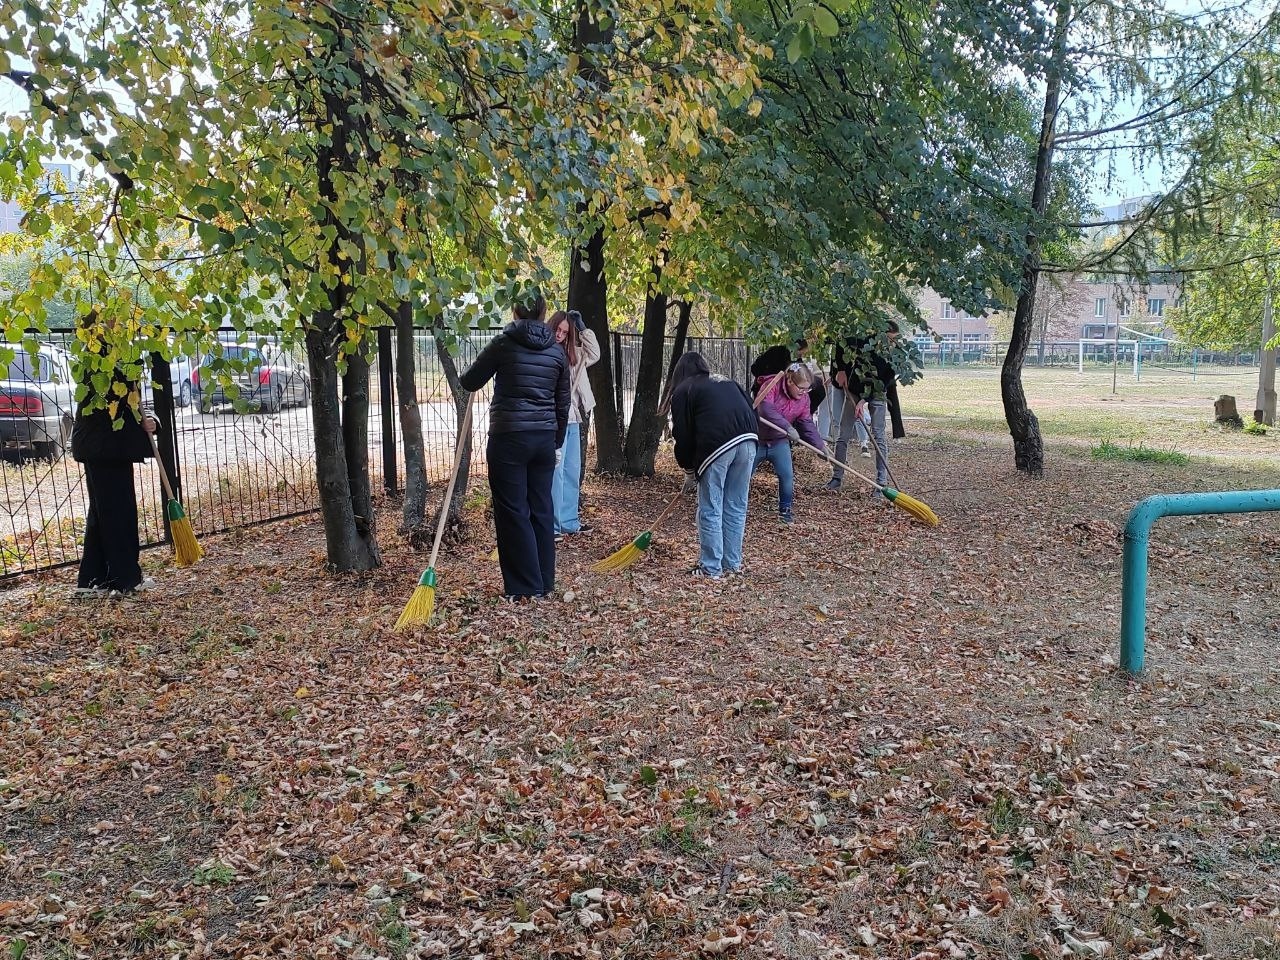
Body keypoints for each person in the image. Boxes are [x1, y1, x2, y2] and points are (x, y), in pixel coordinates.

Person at [460, 290, 569, 600]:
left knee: (512, 510)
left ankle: (525, 586)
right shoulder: (556, 352)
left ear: (515, 313)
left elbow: (469, 381)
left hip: (509, 437)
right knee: (541, 508)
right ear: (542, 314)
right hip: (544, 440)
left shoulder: (504, 344)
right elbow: (563, 403)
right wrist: (556, 442)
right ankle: (545, 582)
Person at [71, 317, 159, 596]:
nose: (123, 327)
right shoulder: (101, 362)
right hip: (106, 448)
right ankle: (125, 580)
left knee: (103, 513)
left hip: (103, 448)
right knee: (118, 513)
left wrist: (152, 420)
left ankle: (93, 580)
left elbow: (132, 405)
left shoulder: (110, 360)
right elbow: (116, 408)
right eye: (116, 324)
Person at [669, 352, 759, 579]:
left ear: (679, 372)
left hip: (717, 447)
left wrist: (689, 468)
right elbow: (751, 409)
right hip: (749, 441)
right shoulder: (727, 381)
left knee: (710, 508)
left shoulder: (683, 390)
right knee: (736, 506)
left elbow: (682, 434)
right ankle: (732, 564)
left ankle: (711, 568)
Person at [825, 321, 907, 495]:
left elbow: (884, 382)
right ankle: (837, 477)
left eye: (893, 340)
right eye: (888, 339)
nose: (890, 343)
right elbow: (841, 342)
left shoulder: (896, 354)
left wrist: (864, 401)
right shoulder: (864, 342)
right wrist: (840, 370)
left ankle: (881, 483)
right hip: (855, 388)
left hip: (878, 392)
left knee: (878, 436)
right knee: (843, 435)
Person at [548, 309, 600, 541]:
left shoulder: (574, 355)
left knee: (571, 471)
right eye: (557, 330)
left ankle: (569, 522)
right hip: (554, 419)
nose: (560, 335)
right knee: (555, 473)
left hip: (573, 418)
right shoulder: (546, 353)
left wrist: (582, 327)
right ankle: (553, 525)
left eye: (565, 332)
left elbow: (595, 353)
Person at [754, 363, 825, 525]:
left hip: (779, 441)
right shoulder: (771, 385)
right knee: (744, 475)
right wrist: (787, 426)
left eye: (807, 389)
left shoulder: (804, 399)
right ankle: (736, 507)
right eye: (801, 388)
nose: (804, 392)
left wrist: (819, 445)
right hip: (757, 440)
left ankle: (785, 510)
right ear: (790, 381)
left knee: (787, 476)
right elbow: (765, 409)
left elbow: (806, 422)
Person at [750, 337, 826, 415]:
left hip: (787, 394)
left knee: (817, 387)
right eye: (801, 353)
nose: (803, 355)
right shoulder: (776, 352)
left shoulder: (797, 360)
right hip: (768, 392)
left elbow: (803, 377)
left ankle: (803, 416)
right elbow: (755, 369)